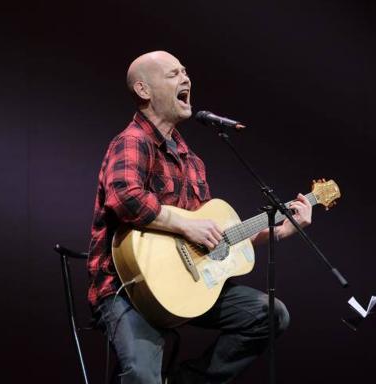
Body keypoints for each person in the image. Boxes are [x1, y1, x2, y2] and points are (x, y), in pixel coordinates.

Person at [87, 50, 312, 384]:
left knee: (269, 314)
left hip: (181, 287)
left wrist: (276, 232)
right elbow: (125, 198)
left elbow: (211, 240)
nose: (186, 79)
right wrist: (186, 224)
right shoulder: (132, 142)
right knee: (142, 377)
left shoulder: (192, 162)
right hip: (127, 289)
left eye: (186, 72)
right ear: (144, 90)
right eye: (173, 74)